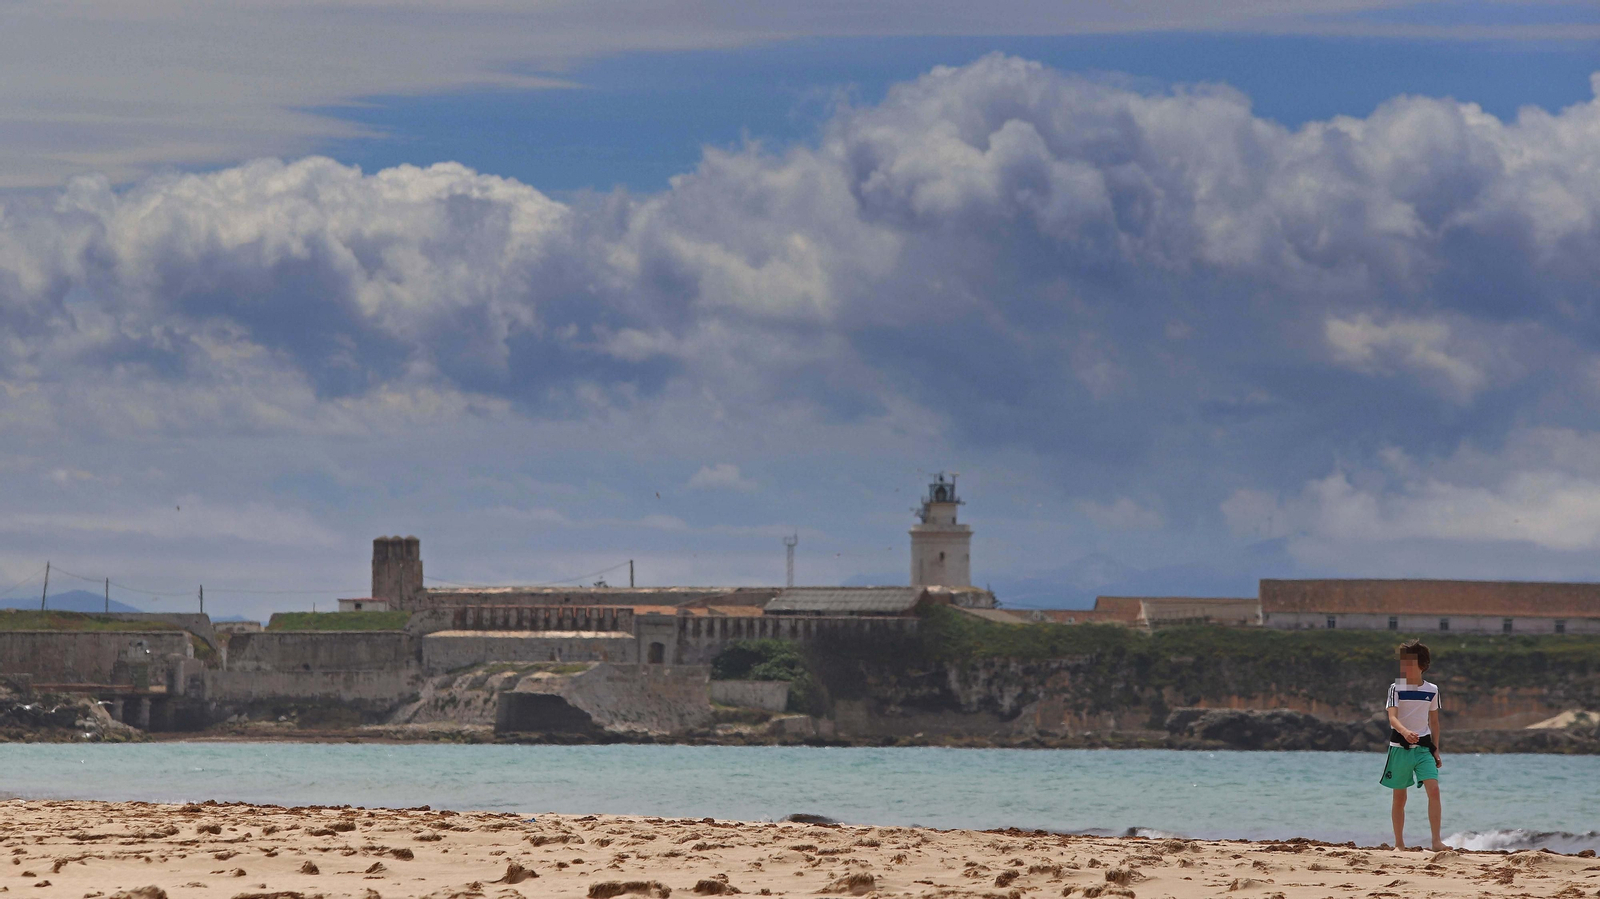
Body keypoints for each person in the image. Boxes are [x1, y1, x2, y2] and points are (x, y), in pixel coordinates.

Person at [1381, 639, 1444, 850]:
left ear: (1422, 664)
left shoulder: (1432, 690)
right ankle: (1399, 844)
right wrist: (1405, 732)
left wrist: (1436, 749)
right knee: (1400, 797)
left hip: (1424, 748)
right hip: (1400, 748)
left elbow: (1434, 722)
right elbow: (1392, 718)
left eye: (1409, 662)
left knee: (1434, 791)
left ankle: (1436, 842)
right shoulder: (1395, 688)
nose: (1404, 667)